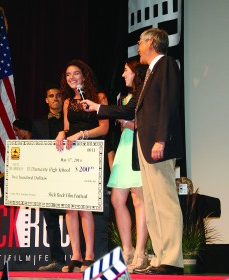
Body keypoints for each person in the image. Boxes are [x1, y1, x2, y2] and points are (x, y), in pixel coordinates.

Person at [81, 28, 184, 275]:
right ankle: (160, 257)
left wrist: (161, 140)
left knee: (165, 202)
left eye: (140, 42)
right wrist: (98, 108)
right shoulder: (149, 73)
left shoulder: (166, 64)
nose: (138, 46)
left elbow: (169, 104)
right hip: (145, 147)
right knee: (153, 202)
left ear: (151, 42)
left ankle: (172, 259)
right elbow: (131, 110)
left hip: (158, 145)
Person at [55, 59, 109, 272]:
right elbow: (67, 128)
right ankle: (75, 255)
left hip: (91, 154)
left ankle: (89, 255)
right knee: (70, 207)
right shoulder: (68, 102)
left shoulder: (99, 98)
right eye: (68, 75)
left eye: (76, 73)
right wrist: (62, 132)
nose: (72, 78)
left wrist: (82, 135)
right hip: (72, 155)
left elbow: (104, 129)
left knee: (85, 206)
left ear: (84, 76)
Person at [108, 59, 149, 273]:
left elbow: (148, 124)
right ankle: (127, 249)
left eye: (126, 71)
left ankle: (141, 251)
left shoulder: (143, 94)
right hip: (125, 147)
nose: (123, 75)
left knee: (138, 199)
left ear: (136, 73)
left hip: (137, 146)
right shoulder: (125, 97)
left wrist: (129, 123)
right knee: (117, 199)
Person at [31, 84, 66, 271]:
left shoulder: (71, 122)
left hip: (70, 176)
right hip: (48, 178)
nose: (55, 98)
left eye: (58, 95)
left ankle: (82, 259)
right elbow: (35, 152)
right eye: (51, 96)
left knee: (76, 217)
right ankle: (57, 259)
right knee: (51, 221)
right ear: (46, 100)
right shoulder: (37, 124)